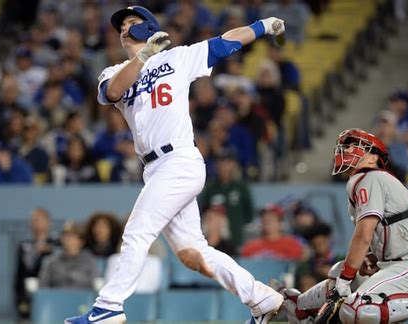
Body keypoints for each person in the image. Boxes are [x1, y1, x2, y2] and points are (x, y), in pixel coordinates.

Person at [65, 5, 286, 324]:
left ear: (149, 27)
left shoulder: (177, 57)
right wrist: (141, 59)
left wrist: (263, 26)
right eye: (122, 25)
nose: (125, 28)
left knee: (137, 231)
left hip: (179, 159)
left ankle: (109, 307)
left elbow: (225, 42)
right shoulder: (114, 70)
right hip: (155, 167)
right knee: (193, 255)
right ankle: (263, 299)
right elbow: (113, 92)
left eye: (132, 22)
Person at [279, 128, 408, 323]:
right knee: (339, 271)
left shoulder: (371, 177)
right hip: (394, 263)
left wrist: (345, 282)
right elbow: (393, 232)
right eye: (346, 146)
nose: (347, 150)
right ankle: (300, 306)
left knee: (357, 308)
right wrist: (370, 258)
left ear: (373, 158)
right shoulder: (371, 181)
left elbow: (364, 234)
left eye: (355, 146)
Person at [14, 207, 58, 319]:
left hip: (53, 294)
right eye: (35, 220)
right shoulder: (24, 246)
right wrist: (20, 299)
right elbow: (19, 276)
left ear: (49, 222)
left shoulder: (57, 243)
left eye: (41, 219)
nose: (38, 223)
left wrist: (50, 251)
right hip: (29, 296)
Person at [39, 221, 98, 289]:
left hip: (83, 298)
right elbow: (43, 286)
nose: (68, 239)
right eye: (66, 236)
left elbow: (95, 285)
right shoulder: (51, 261)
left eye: (73, 236)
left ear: (81, 241)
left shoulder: (90, 261)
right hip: (56, 298)